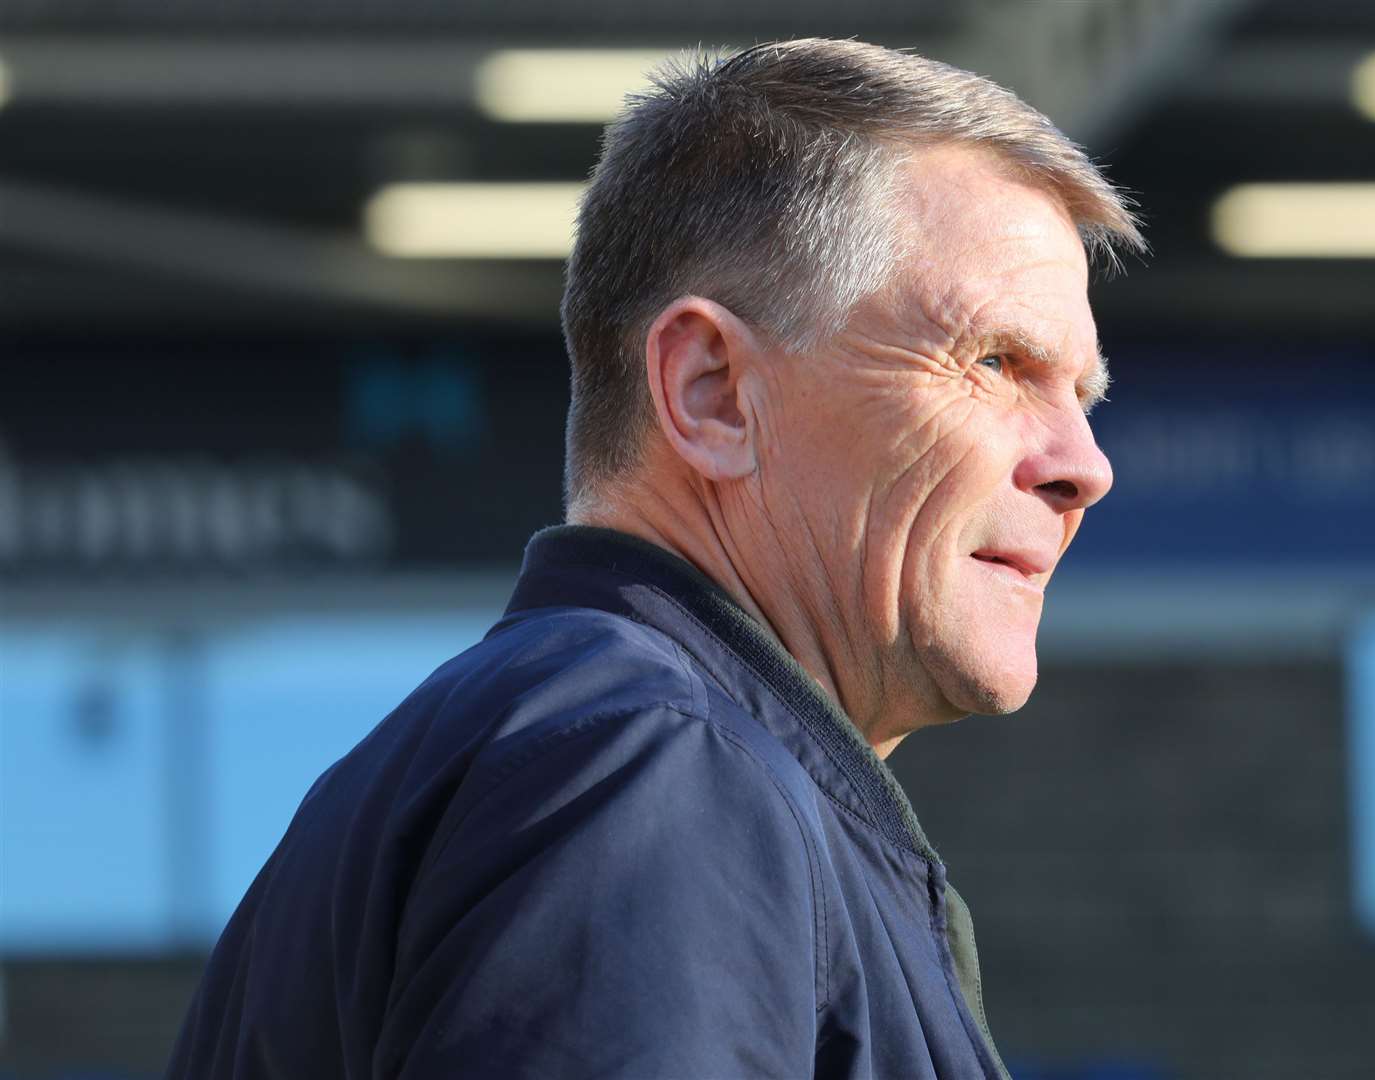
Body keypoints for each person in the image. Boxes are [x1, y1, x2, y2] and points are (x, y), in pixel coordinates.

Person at [168, 37, 1142, 1079]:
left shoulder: (540, 756)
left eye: (1081, 398)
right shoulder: (658, 769)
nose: (1083, 467)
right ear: (711, 393)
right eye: (996, 363)